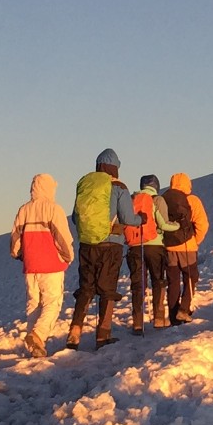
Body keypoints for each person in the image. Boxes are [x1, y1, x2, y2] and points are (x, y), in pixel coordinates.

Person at [70, 149, 137, 349]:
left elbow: (75, 217)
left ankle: (74, 332)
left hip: (87, 244)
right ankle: (102, 335)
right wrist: (141, 219)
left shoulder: (87, 186)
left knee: (86, 288)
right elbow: (127, 218)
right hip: (111, 244)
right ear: (115, 167)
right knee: (107, 289)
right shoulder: (118, 187)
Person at [11, 173, 74, 357]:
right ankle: (38, 335)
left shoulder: (23, 210)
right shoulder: (54, 209)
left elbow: (15, 240)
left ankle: (34, 347)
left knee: (34, 304)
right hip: (51, 264)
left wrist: (19, 255)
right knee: (52, 303)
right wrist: (67, 257)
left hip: (30, 265)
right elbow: (63, 237)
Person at [124, 174, 180, 333]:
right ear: (155, 185)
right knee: (158, 281)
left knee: (138, 284)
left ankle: (137, 322)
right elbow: (164, 224)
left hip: (135, 246)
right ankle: (159, 318)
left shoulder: (131, 200)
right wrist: (177, 226)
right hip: (155, 246)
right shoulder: (157, 200)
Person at [162, 171, 208, 324]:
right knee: (190, 277)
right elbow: (202, 224)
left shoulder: (164, 200)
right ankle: (183, 309)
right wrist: (195, 241)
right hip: (187, 246)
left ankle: (173, 315)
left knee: (173, 281)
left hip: (169, 248)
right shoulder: (192, 200)